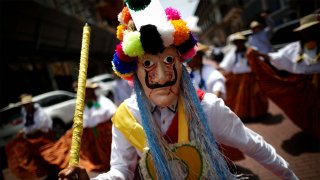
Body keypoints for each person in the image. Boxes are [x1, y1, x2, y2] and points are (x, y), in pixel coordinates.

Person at [59, 1, 298, 179]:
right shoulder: (126, 117)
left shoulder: (208, 108)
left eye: (170, 61)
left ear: (182, 63)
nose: (161, 76)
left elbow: (253, 145)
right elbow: (121, 170)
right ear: (134, 71)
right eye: (148, 64)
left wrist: (290, 177)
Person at [247, 13, 320, 139]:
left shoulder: (265, 32)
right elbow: (279, 56)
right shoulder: (296, 48)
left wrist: (267, 18)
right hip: (305, 84)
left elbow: (271, 27)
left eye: (310, 29)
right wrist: (259, 55)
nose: (307, 33)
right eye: (304, 30)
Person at [40, 81, 117, 173]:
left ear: (91, 91)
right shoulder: (83, 104)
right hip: (89, 133)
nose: (84, 93)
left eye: (86, 91)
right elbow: (82, 118)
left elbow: (112, 112)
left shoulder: (102, 100)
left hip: (104, 132)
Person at [219, 32, 269, 121]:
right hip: (238, 79)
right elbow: (227, 65)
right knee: (239, 98)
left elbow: (259, 62)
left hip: (251, 78)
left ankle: (258, 114)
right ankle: (244, 115)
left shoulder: (250, 51)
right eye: (237, 42)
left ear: (243, 42)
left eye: (240, 41)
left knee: (254, 96)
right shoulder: (232, 53)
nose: (239, 44)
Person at [5, 94, 54, 179]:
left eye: (27, 104)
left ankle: (52, 171)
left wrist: (26, 132)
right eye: (24, 105)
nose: (26, 107)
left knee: (46, 156)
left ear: (31, 104)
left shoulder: (39, 112)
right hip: (33, 137)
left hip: (43, 136)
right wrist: (23, 132)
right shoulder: (26, 113)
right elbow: (26, 126)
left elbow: (39, 126)